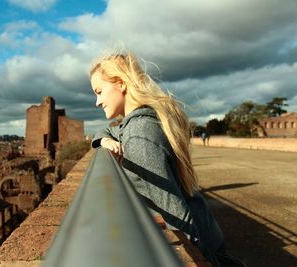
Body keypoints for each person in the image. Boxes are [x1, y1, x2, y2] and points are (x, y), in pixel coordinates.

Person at [90, 52, 246, 266]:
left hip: (201, 241)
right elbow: (106, 130)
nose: (97, 102)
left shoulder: (139, 133)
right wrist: (102, 140)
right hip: (206, 225)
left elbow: (177, 215)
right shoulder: (138, 122)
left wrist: (203, 260)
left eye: (99, 92)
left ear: (121, 84)